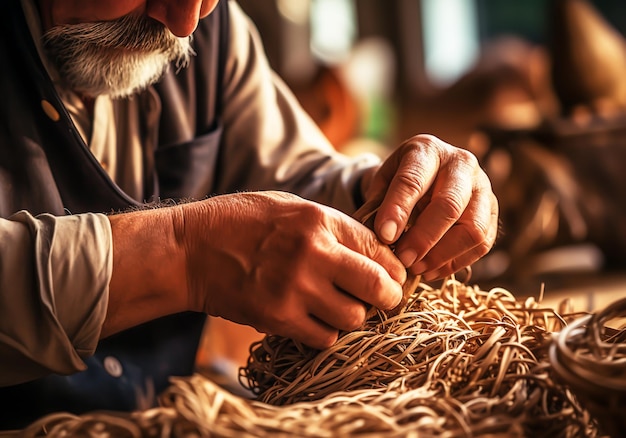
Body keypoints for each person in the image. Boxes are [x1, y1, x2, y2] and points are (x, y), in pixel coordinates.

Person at [0, 0, 499, 429]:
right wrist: (186, 255)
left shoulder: (212, 29)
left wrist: (381, 196)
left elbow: (294, 170)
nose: (184, 23)